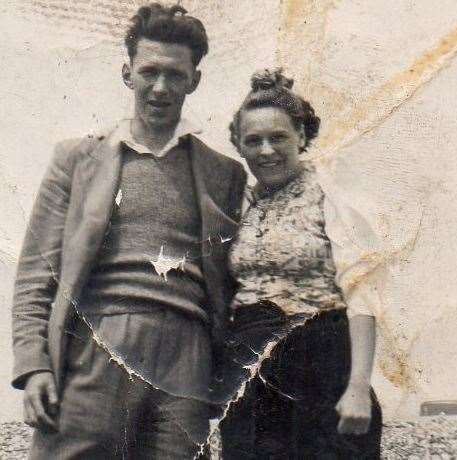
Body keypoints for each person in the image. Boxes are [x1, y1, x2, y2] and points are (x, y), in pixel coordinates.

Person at [11, 3, 246, 459]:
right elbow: (36, 275)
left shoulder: (224, 173)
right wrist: (34, 365)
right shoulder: (77, 160)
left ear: (194, 81)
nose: (160, 88)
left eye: (175, 75)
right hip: (97, 342)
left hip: (187, 357)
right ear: (127, 73)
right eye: (149, 72)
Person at [219, 69, 382, 459]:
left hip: (324, 365)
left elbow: (363, 294)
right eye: (253, 140)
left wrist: (358, 385)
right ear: (239, 146)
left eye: (278, 137)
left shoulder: (332, 200)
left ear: (302, 136)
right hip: (253, 370)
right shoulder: (236, 207)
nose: (266, 150)